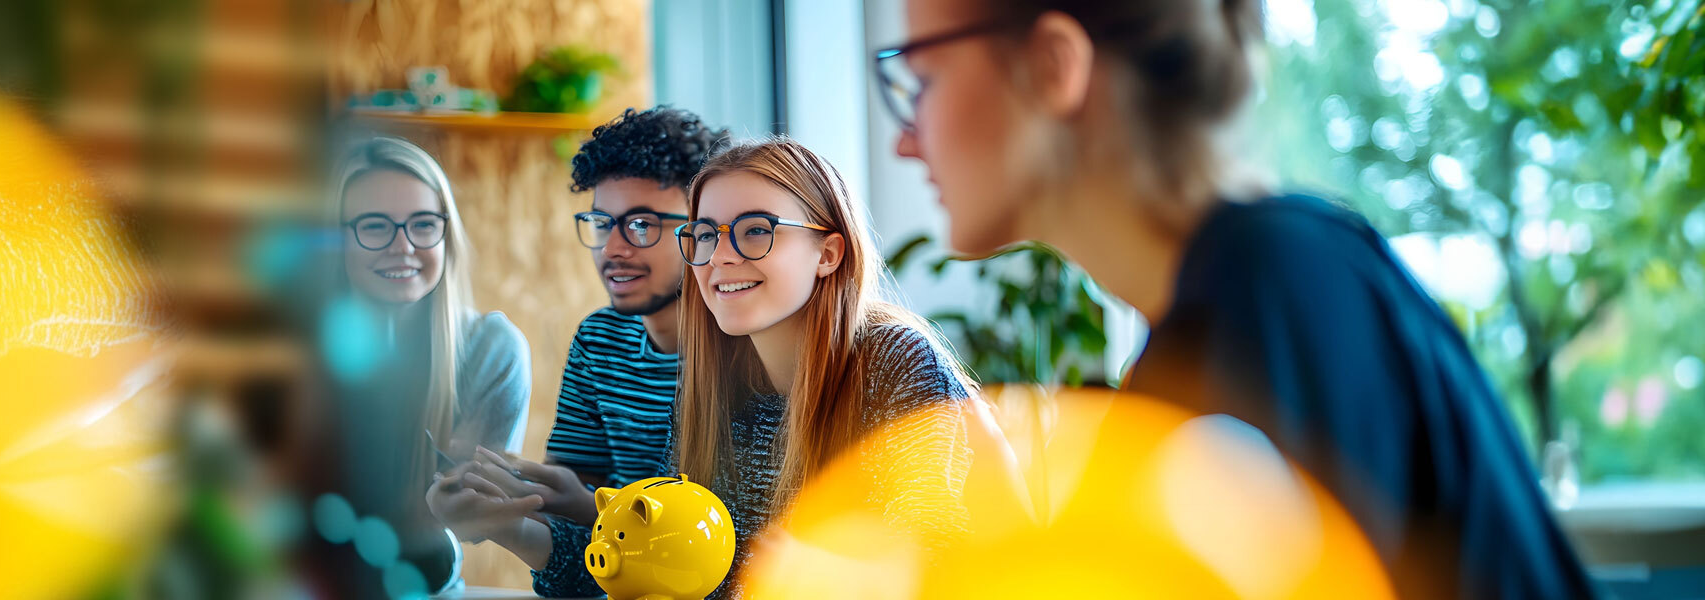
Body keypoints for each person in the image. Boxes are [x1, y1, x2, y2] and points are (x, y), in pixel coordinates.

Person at [878, 0, 1596, 597]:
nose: (904, 143)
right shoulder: (1230, 313)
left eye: (924, 79)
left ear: (1051, 67)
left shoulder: (1278, 288)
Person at [422, 107, 730, 593]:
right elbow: (585, 542)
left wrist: (585, 506)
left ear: (703, 231)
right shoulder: (600, 339)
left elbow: (713, 554)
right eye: (602, 222)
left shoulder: (745, 352)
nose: (613, 248)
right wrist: (509, 509)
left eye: (642, 225)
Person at [672, 138, 977, 597]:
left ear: (828, 254)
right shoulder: (709, 377)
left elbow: (942, 563)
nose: (719, 256)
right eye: (706, 234)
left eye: (755, 230)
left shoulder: (896, 361)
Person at [314, 136, 532, 595]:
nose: (404, 246)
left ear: (445, 233)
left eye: (423, 224)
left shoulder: (492, 349)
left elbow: (461, 527)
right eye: (375, 226)